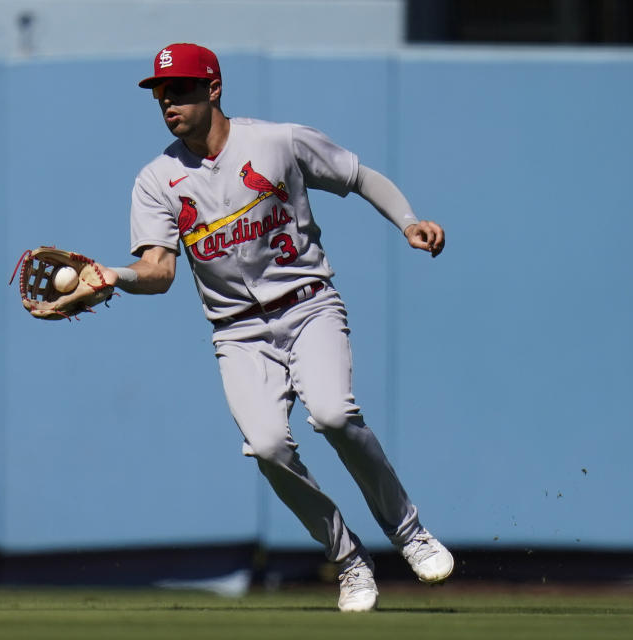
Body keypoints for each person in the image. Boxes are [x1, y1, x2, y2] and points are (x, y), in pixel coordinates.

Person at [60, 43, 452, 611]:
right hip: (238, 332)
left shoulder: (276, 142)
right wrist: (114, 276)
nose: (169, 101)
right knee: (268, 447)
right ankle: (348, 562)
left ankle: (410, 533)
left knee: (335, 414)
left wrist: (410, 222)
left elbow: (359, 176)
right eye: (161, 93)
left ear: (213, 89)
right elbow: (159, 270)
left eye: (182, 89)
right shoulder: (157, 179)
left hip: (307, 304)